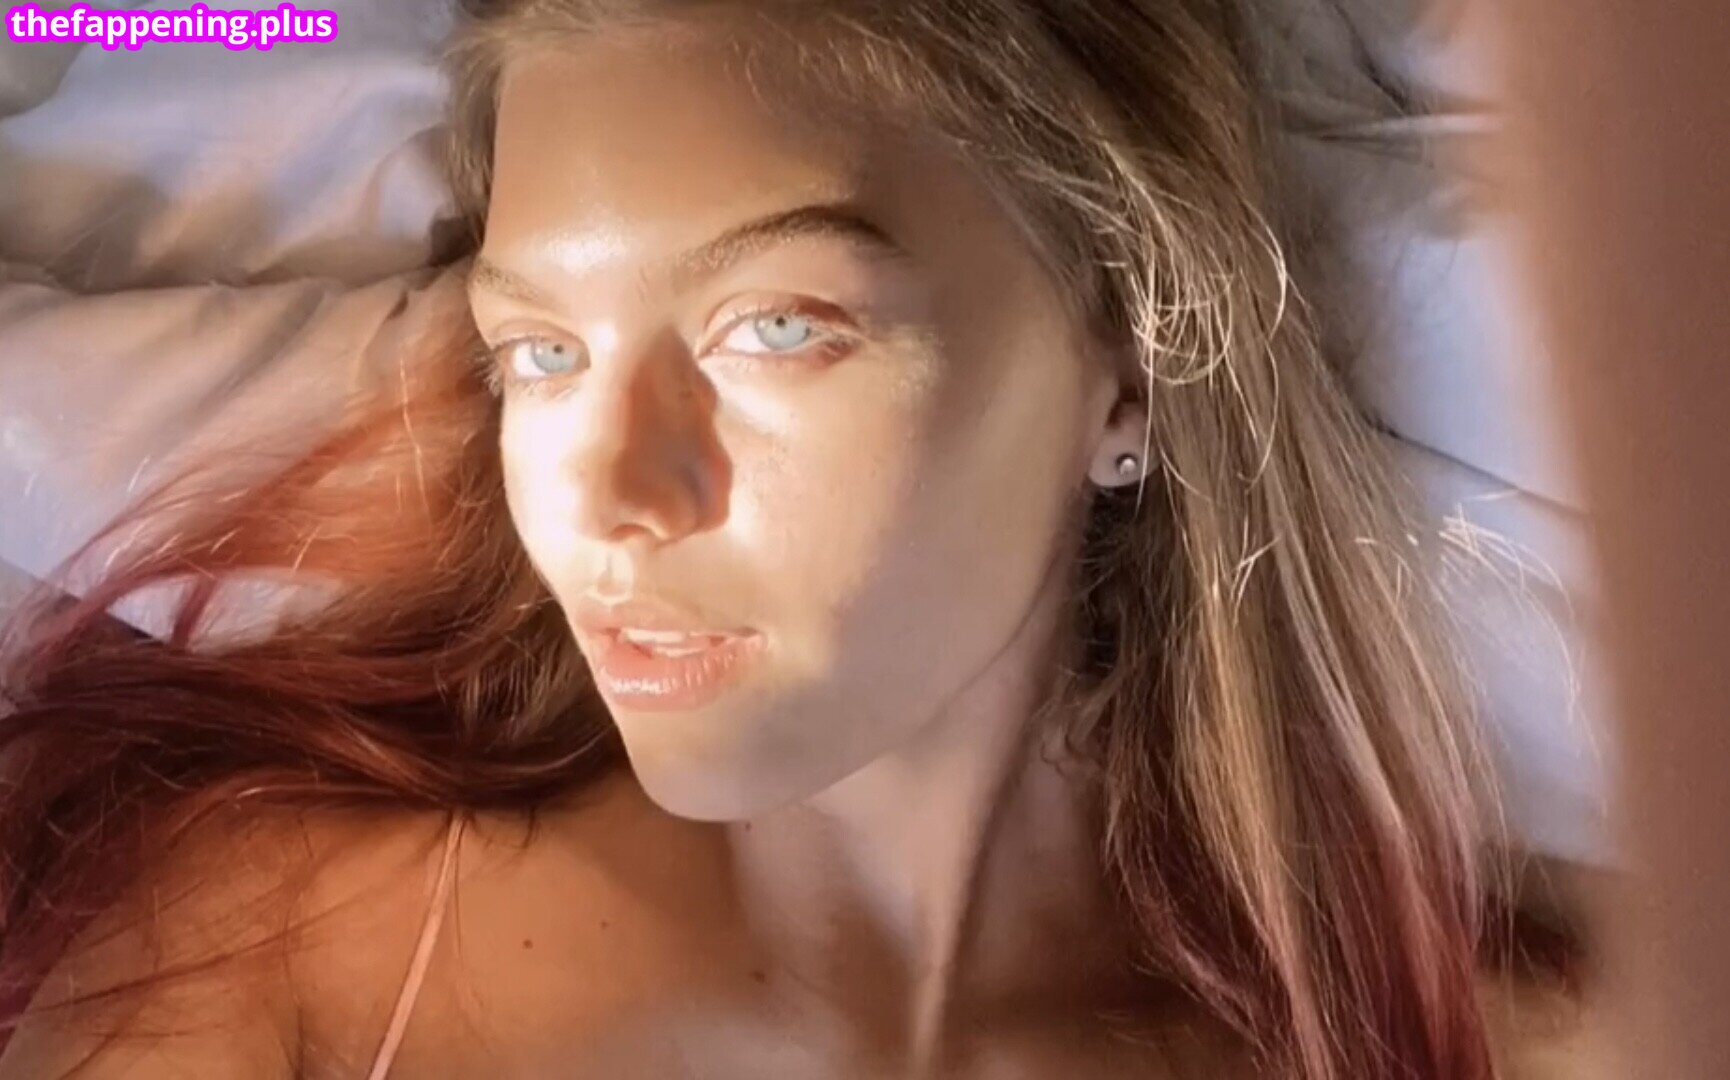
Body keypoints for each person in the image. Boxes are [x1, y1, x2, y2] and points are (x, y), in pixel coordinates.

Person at [0, 1, 1587, 1077]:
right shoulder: (267, 950)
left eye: (776, 327)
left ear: (1125, 353)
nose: (609, 498)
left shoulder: (1526, 1037)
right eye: (537, 354)